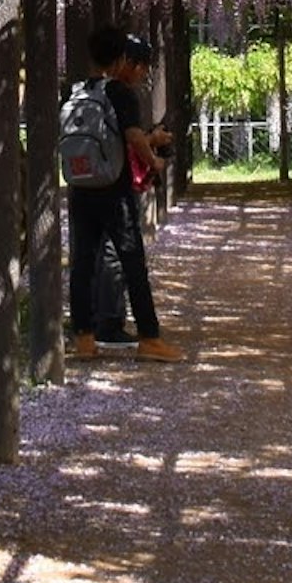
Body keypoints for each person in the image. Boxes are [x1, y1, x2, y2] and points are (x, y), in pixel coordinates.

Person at [65, 29, 186, 362]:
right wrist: (156, 161)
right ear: (121, 60)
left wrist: (146, 140)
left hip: (81, 188)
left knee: (83, 264)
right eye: (138, 64)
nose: (141, 72)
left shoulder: (76, 91)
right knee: (134, 265)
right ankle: (150, 337)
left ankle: (84, 338)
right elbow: (132, 138)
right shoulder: (120, 92)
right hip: (113, 193)